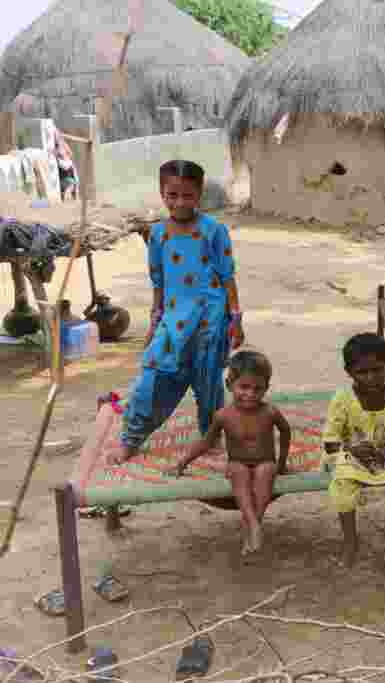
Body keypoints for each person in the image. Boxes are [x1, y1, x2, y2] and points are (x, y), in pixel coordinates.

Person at [113, 160, 245, 464]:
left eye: (188, 196)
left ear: (199, 194)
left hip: (210, 320)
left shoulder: (214, 231)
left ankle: (210, 440)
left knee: (208, 385)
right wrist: (154, 322)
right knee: (151, 379)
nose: (180, 203)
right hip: (173, 322)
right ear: (162, 193)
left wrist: (236, 319)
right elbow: (158, 281)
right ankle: (131, 439)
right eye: (172, 195)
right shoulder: (157, 235)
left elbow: (227, 277)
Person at [322, 333, 385, 567]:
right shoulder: (342, 399)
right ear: (349, 372)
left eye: (377, 370)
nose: (371, 377)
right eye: (362, 372)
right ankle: (350, 541)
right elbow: (330, 442)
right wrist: (352, 449)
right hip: (352, 456)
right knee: (342, 479)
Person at [174, 351, 290, 555]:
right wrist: (184, 462)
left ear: (266, 388)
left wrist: (282, 462)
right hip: (238, 462)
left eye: (258, 388)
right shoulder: (223, 415)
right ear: (229, 385)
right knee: (239, 472)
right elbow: (206, 443)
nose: (251, 394)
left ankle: (253, 528)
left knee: (265, 472)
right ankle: (254, 525)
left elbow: (286, 431)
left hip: (266, 462)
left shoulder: (270, 411)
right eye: (244, 387)